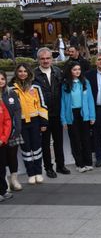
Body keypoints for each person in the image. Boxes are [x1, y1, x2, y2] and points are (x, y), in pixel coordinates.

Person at [34, 48, 68, 178]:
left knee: (58, 141)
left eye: (48, 58)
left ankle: (61, 165)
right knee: (45, 143)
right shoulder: (33, 75)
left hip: (57, 113)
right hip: (43, 115)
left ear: (52, 59)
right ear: (38, 60)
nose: (45, 61)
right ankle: (48, 167)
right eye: (42, 59)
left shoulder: (58, 72)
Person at [11, 64, 48, 185]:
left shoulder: (35, 87)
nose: (22, 73)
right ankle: (31, 173)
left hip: (35, 121)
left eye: (25, 71)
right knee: (26, 149)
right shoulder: (12, 89)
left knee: (37, 147)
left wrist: (43, 122)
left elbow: (42, 105)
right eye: (20, 71)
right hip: (20, 123)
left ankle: (38, 172)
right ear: (17, 73)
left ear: (29, 72)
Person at [60, 62, 96, 172]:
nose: (77, 71)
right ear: (70, 71)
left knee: (86, 139)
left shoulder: (85, 82)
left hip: (83, 114)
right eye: (74, 69)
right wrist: (64, 119)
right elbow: (63, 102)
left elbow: (90, 100)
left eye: (79, 69)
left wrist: (92, 116)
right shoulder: (65, 84)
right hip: (71, 115)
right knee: (75, 140)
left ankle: (88, 162)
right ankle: (79, 164)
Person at [0, 71, 22, 192]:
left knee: (12, 156)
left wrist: (17, 128)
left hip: (13, 131)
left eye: (2, 79)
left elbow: (18, 111)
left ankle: (14, 179)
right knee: (2, 159)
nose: (1, 81)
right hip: (1, 134)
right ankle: (4, 181)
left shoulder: (11, 93)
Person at [0, 93, 13, 202]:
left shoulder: (1, 103)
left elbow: (7, 121)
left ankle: (3, 191)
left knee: (1, 167)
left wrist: (3, 138)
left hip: (1, 142)